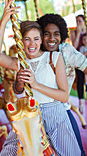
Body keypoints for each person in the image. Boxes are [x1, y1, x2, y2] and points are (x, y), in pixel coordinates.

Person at [0, 0, 81, 155]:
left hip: (54, 115)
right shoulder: (20, 62)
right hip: (28, 115)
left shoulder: (54, 58)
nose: (32, 44)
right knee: (8, 152)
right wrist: (4, 19)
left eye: (36, 39)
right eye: (27, 39)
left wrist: (36, 84)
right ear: (21, 42)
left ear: (41, 40)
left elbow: (64, 96)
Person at [37, 13, 87, 155]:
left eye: (56, 34)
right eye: (47, 34)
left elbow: (85, 66)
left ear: (62, 35)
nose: (52, 38)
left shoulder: (65, 51)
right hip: (39, 114)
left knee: (77, 150)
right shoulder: (37, 53)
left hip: (62, 110)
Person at [70, 14, 86, 114]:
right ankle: (81, 102)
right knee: (80, 78)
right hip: (79, 58)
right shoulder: (74, 32)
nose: (78, 23)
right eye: (77, 21)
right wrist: (79, 33)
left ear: (84, 21)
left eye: (80, 21)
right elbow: (74, 46)